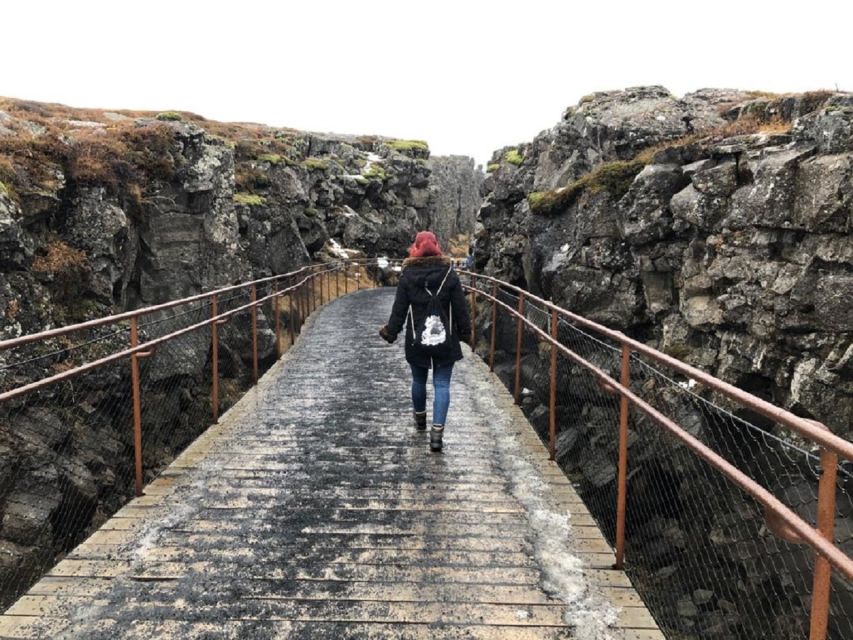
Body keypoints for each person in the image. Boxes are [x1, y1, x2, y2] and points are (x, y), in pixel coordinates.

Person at [379, 231, 471, 452]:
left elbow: (399, 310)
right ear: (437, 246)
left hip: (416, 339)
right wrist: (466, 334)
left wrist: (391, 332)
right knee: (442, 384)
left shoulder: (408, 275)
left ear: (416, 247)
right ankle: (437, 434)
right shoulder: (449, 273)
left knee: (418, 381)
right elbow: (460, 308)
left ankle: (420, 419)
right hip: (445, 338)